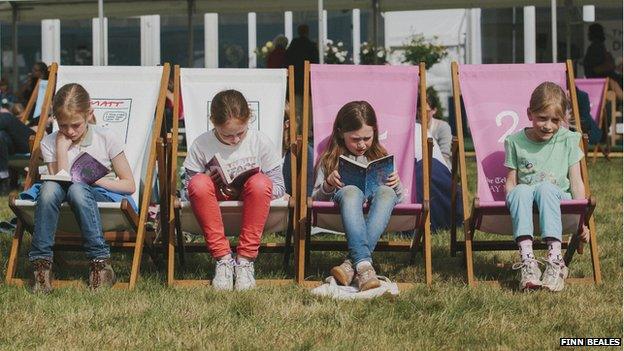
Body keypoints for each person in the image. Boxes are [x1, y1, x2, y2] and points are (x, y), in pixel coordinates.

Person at [29, 83, 136, 293]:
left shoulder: (105, 138)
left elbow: (129, 184)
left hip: (99, 195)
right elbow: (58, 180)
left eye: (76, 125)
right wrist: (61, 148)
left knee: (77, 188)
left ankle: (100, 263)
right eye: (63, 126)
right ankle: (41, 265)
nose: (70, 131)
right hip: (62, 197)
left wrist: (96, 180)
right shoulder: (51, 142)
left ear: (89, 115)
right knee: (49, 189)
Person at [183, 89, 285, 291]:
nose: (236, 140)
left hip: (251, 199)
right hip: (214, 200)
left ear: (249, 119)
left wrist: (240, 190)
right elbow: (187, 190)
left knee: (260, 183)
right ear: (213, 122)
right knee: (199, 183)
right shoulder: (202, 144)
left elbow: (279, 187)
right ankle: (223, 259)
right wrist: (208, 179)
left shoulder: (259, 141)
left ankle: (245, 260)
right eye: (227, 135)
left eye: (240, 132)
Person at [504, 82, 590, 293]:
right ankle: (528, 262)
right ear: (529, 113)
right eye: (542, 118)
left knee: (544, 188)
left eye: (555, 120)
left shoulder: (569, 139)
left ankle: (555, 260)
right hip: (528, 205)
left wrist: (583, 220)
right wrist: (511, 198)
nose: (548, 126)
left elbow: (577, 182)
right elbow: (511, 180)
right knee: (521, 190)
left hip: (560, 204)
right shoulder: (514, 141)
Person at [311, 101, 404, 292]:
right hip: (342, 209)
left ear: (375, 133)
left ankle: (350, 265)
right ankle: (363, 265)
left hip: (376, 208)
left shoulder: (380, 156)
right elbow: (315, 200)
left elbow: (400, 199)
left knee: (387, 192)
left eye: (367, 138)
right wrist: (328, 184)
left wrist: (396, 184)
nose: (362, 144)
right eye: (355, 139)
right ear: (340, 133)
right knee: (351, 191)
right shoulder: (329, 160)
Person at [285, 24, 319, 134]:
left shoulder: (293, 45)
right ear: (307, 32)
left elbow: (287, 61)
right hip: (308, 82)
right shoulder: (311, 46)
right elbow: (315, 63)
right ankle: (306, 131)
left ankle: (295, 131)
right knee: (307, 110)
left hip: (294, 81)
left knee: (296, 109)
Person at [0, 98, 35, 195]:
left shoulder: (54, 118)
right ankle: (3, 179)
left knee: (7, 117)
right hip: (14, 143)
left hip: (33, 142)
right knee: (1, 135)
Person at [583, 23, 623, 100]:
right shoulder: (596, 47)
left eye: (589, 32)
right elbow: (596, 69)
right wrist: (613, 64)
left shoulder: (597, 46)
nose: (588, 34)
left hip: (602, 79)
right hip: (599, 81)